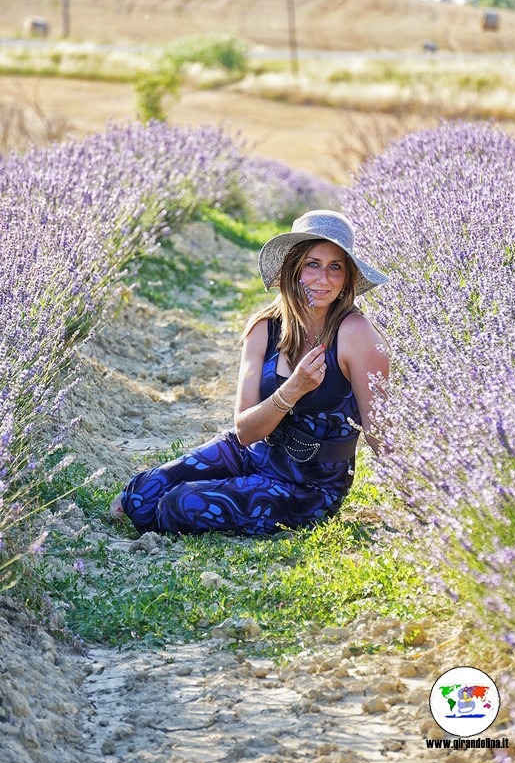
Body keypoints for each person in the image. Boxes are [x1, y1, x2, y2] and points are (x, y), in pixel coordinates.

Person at [111, 210, 389, 536]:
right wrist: (292, 389)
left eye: (335, 268)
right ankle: (234, 487)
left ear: (346, 280)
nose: (322, 279)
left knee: (179, 504)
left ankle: (223, 495)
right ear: (293, 267)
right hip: (253, 452)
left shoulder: (356, 334)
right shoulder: (264, 328)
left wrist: (424, 500)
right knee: (140, 495)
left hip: (310, 486)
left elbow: (379, 431)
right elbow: (244, 432)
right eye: (312, 264)